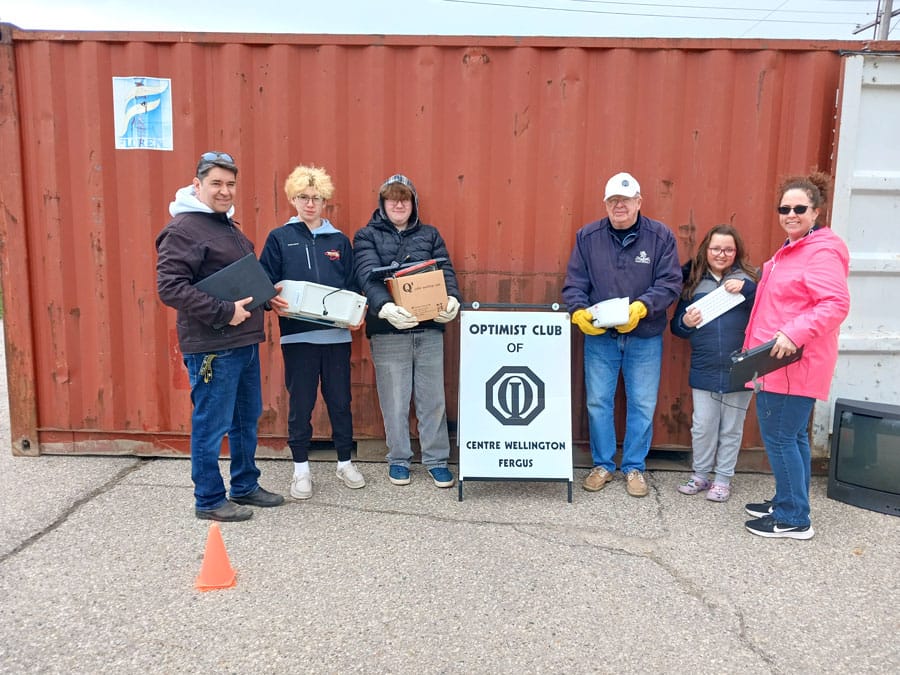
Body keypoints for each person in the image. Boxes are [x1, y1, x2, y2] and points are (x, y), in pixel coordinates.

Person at [156, 151, 286, 522]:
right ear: (197, 185)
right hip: (213, 348)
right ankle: (209, 499)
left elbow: (236, 279)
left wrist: (265, 296)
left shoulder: (224, 225)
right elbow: (170, 287)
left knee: (246, 419)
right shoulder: (183, 229)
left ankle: (244, 485)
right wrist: (225, 311)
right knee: (211, 424)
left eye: (230, 184)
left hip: (243, 343)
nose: (224, 190)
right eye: (216, 183)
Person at [742, 172, 850, 539]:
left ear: (816, 211)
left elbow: (835, 303)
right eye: (784, 208)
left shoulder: (821, 250)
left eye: (799, 208)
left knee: (780, 438)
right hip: (776, 362)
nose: (791, 214)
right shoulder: (794, 248)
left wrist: (793, 333)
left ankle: (793, 517)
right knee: (793, 437)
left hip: (792, 364)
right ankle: (788, 500)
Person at [562, 172, 682, 497]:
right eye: (613, 200)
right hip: (600, 337)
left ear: (639, 202)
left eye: (625, 200)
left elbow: (670, 282)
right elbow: (575, 283)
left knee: (642, 402)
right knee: (598, 401)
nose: (619, 206)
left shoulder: (660, 237)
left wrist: (643, 307)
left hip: (645, 335)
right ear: (605, 204)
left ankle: (634, 467)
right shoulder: (588, 237)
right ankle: (602, 464)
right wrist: (578, 311)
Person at [259, 165, 366, 500]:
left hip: (336, 338)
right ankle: (301, 470)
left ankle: (345, 463)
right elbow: (264, 283)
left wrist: (357, 313)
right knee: (301, 404)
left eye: (316, 198)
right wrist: (270, 300)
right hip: (298, 338)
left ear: (325, 201)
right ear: (293, 199)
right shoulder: (279, 238)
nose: (310, 203)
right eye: (303, 197)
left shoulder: (339, 240)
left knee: (340, 402)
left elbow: (353, 284)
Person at [353, 174, 462, 488]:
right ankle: (399, 459)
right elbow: (366, 274)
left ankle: (436, 460)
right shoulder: (366, 235)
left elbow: (445, 270)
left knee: (433, 399)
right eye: (392, 198)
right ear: (382, 203)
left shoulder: (430, 234)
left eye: (404, 199)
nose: (398, 204)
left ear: (414, 204)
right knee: (395, 399)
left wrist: (452, 298)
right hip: (388, 331)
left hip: (429, 329)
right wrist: (385, 307)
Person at [670, 224, 759, 502]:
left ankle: (722, 480)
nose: (722, 254)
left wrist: (748, 289)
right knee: (703, 426)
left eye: (728, 249)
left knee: (731, 427)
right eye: (716, 248)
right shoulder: (693, 282)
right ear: (706, 250)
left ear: (737, 252)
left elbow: (770, 304)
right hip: (704, 367)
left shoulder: (750, 279)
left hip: (740, 368)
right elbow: (677, 328)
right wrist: (686, 322)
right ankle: (700, 476)